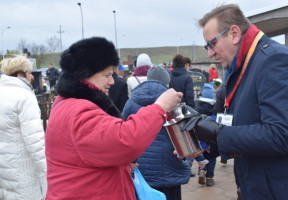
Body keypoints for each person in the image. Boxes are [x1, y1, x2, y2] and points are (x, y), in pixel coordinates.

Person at [45, 37, 183, 200]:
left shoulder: (68, 103)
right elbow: (126, 141)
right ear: (85, 75)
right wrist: (160, 107)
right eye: (107, 75)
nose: (111, 81)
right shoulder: (78, 111)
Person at [189, 4, 288, 199]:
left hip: (278, 190)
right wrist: (201, 146)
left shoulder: (275, 60)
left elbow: (282, 135)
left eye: (211, 44)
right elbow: (244, 123)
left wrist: (218, 133)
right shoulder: (245, 64)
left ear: (234, 33)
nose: (210, 54)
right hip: (256, 185)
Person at [122, 66, 190, 200]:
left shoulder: (131, 101)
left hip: (141, 166)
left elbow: (123, 131)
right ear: (167, 83)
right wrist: (196, 160)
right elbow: (186, 135)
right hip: (170, 165)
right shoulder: (174, 102)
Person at [0, 56, 47, 200]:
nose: (32, 77)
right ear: (20, 74)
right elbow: (35, 141)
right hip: (23, 168)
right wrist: (46, 171)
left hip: (4, 166)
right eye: (30, 72)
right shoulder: (24, 96)